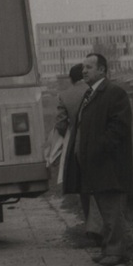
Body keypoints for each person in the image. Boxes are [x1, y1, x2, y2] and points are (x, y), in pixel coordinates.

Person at [62, 53, 133, 266]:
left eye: (89, 67)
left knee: (112, 210)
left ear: (102, 70)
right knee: (103, 209)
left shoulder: (114, 93)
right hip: (95, 164)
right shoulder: (90, 93)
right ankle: (108, 249)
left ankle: (116, 251)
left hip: (110, 164)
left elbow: (118, 129)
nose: (84, 71)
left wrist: (97, 149)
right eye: (83, 67)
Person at [54, 64, 101, 244]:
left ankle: (91, 226)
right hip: (98, 142)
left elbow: (60, 125)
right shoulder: (95, 90)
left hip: (76, 144)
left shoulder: (65, 95)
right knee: (98, 185)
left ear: (71, 78)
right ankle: (101, 226)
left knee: (83, 186)